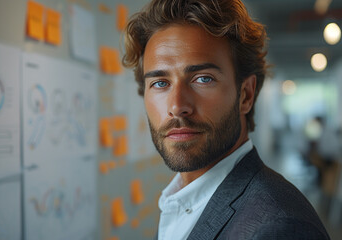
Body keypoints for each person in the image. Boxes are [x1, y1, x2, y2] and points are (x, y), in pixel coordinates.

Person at [122, 0, 330, 239]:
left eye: (203, 79)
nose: (177, 106)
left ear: (246, 95)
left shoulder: (279, 227)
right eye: (160, 83)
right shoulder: (179, 201)